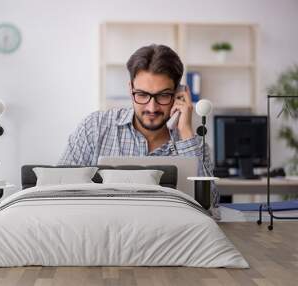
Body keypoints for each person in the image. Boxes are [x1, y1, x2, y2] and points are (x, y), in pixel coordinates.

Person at [58, 44, 219, 207]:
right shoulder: (95, 127)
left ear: (179, 94)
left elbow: (210, 206)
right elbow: (57, 189)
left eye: (163, 95)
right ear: (130, 89)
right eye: (142, 94)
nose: (152, 108)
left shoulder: (195, 145)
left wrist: (185, 131)